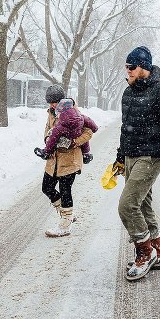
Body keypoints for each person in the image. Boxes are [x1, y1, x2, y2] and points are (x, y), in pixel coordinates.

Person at [113, 45, 160, 281]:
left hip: (152, 155)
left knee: (127, 205)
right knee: (142, 204)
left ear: (143, 67)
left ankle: (145, 252)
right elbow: (126, 128)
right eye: (126, 67)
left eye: (131, 66)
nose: (128, 71)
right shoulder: (128, 93)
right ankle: (158, 250)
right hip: (131, 155)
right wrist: (120, 156)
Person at [37, 85, 94, 238]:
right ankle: (66, 213)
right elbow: (47, 129)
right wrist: (48, 138)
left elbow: (88, 131)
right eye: (50, 102)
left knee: (65, 190)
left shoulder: (74, 112)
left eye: (54, 102)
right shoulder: (50, 112)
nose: (51, 105)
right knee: (46, 187)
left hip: (69, 160)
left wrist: (75, 142)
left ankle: (65, 224)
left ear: (61, 100)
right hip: (53, 160)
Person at [35, 98, 97, 164]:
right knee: (84, 141)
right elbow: (89, 121)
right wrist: (95, 128)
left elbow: (53, 139)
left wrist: (47, 151)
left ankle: (46, 153)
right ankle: (86, 154)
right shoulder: (80, 116)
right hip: (77, 134)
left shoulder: (61, 125)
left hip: (68, 141)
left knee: (53, 136)